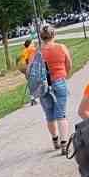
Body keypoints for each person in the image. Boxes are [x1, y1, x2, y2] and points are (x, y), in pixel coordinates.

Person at [36, 25, 75, 155]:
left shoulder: (37, 52)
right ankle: (64, 144)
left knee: (49, 115)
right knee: (61, 114)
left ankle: (55, 140)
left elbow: (31, 70)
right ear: (54, 35)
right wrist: (65, 74)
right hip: (59, 81)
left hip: (43, 85)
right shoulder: (61, 47)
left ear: (41, 37)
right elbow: (69, 63)